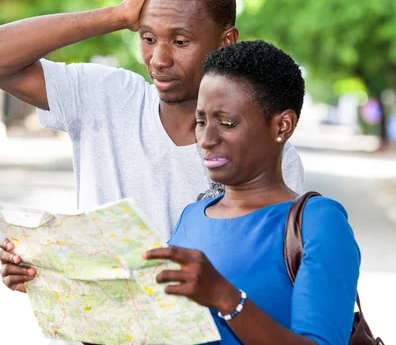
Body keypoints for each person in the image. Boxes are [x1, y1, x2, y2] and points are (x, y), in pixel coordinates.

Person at [0, 0, 305, 292]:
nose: (159, 59)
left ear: (226, 41)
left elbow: (268, 276)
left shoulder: (264, 150)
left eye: (180, 42)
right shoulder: (105, 97)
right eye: (148, 37)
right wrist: (118, 15)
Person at [144, 40, 360, 345]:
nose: (206, 139)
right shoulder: (192, 216)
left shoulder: (318, 222)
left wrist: (227, 299)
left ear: (282, 126)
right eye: (201, 121)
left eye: (227, 123)